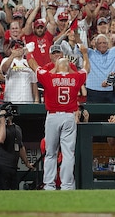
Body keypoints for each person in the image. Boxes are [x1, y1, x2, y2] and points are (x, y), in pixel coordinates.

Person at [37, 56, 87, 190]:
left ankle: (49, 185)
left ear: (57, 67)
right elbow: (86, 69)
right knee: (68, 153)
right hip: (69, 116)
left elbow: (33, 66)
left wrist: (29, 52)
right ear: (69, 67)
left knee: (50, 153)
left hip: (53, 117)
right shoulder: (75, 78)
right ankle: (67, 185)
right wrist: (84, 54)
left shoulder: (50, 77)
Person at [0, 107, 34, 190]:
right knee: (3, 195)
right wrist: (2, 121)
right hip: (1, 167)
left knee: (14, 195)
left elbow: (20, 146)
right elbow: (0, 139)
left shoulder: (17, 128)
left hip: (13, 168)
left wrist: (27, 163)